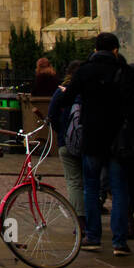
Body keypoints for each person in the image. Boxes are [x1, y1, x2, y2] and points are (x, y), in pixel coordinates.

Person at [58, 32, 134, 255]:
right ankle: (119, 242)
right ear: (115, 50)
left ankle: (93, 236)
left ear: (95, 49)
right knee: (119, 189)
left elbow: (67, 99)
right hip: (117, 140)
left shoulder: (85, 70)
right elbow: (132, 110)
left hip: (92, 137)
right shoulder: (123, 72)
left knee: (91, 188)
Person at [48, 59, 86, 224]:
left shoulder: (61, 91)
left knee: (73, 181)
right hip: (88, 142)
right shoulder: (88, 90)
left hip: (66, 141)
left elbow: (52, 115)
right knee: (89, 181)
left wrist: (62, 132)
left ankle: (79, 218)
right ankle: (91, 216)